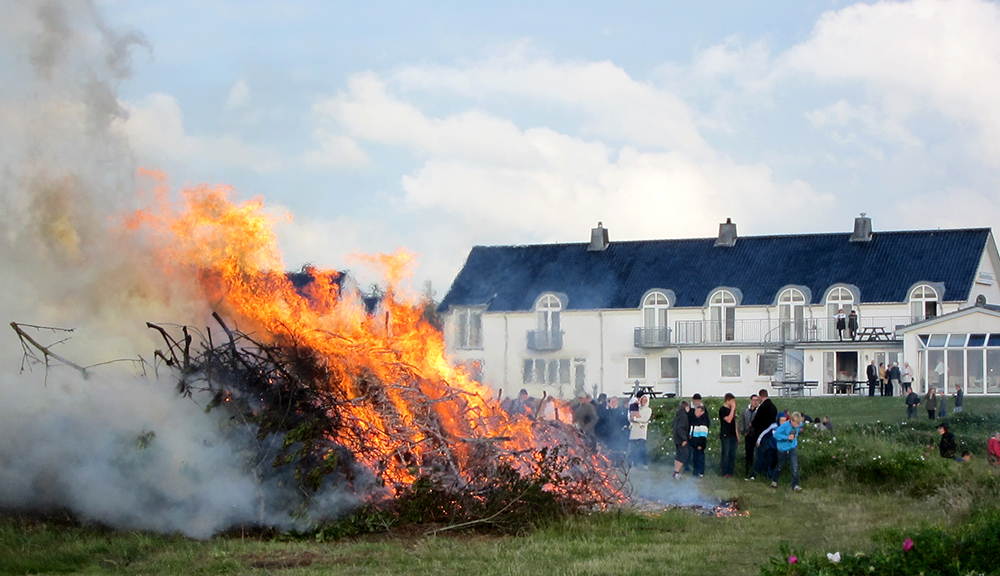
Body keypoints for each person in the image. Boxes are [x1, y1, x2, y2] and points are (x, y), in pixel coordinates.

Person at [771, 411, 805, 491]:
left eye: (798, 424)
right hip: (782, 449)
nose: (797, 425)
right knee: (780, 465)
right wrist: (786, 437)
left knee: (794, 466)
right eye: (796, 423)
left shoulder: (799, 424)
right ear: (791, 421)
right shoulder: (784, 426)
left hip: (792, 447)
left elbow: (801, 426)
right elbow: (775, 435)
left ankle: (795, 485)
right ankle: (774, 481)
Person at [750, 389, 778, 477]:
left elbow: (758, 420)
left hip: (763, 434)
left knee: (760, 454)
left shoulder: (763, 407)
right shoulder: (773, 407)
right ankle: (768, 473)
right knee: (769, 455)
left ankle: (756, 473)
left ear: (760, 396)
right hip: (772, 434)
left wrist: (752, 424)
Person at [755, 412, 788, 480]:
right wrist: (759, 441)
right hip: (772, 446)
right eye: (781, 420)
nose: (782, 422)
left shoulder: (786, 428)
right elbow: (764, 433)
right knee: (770, 460)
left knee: (777, 461)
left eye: (784, 421)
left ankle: (775, 475)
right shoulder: (774, 426)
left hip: (780, 448)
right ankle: (768, 474)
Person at [628, 393, 652, 469]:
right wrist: (632, 418)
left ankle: (645, 464)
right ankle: (634, 464)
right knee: (633, 448)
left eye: (645, 400)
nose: (643, 401)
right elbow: (630, 416)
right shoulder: (636, 407)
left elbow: (645, 419)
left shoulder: (648, 410)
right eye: (642, 400)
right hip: (634, 430)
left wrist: (635, 419)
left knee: (642, 448)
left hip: (642, 431)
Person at [739, 394, 760, 477]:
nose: (755, 402)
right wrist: (743, 432)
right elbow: (741, 421)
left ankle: (755, 471)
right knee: (748, 453)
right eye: (754, 400)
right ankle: (748, 470)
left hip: (757, 435)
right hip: (748, 435)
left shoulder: (760, 411)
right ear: (750, 401)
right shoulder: (745, 411)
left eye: (757, 400)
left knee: (757, 454)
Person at [718, 393, 739, 477]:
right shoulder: (723, 410)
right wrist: (733, 409)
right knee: (726, 454)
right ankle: (724, 471)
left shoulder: (731, 410)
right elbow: (729, 420)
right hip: (726, 435)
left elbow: (734, 422)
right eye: (732, 401)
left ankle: (731, 471)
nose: (734, 402)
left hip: (733, 435)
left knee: (732, 454)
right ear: (727, 401)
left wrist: (737, 434)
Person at [689, 405, 710, 477]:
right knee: (695, 458)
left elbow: (703, 435)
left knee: (700, 457)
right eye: (695, 411)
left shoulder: (703, 421)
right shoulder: (695, 420)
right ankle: (695, 471)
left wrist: (700, 444)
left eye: (698, 411)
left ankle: (700, 472)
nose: (696, 413)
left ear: (702, 412)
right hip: (694, 442)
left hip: (699, 443)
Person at [672, 402, 690, 479]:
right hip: (681, 438)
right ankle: (676, 472)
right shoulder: (684, 416)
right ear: (686, 407)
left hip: (676, 438)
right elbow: (680, 428)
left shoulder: (677, 415)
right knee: (684, 454)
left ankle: (676, 472)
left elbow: (674, 426)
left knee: (678, 454)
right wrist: (684, 438)